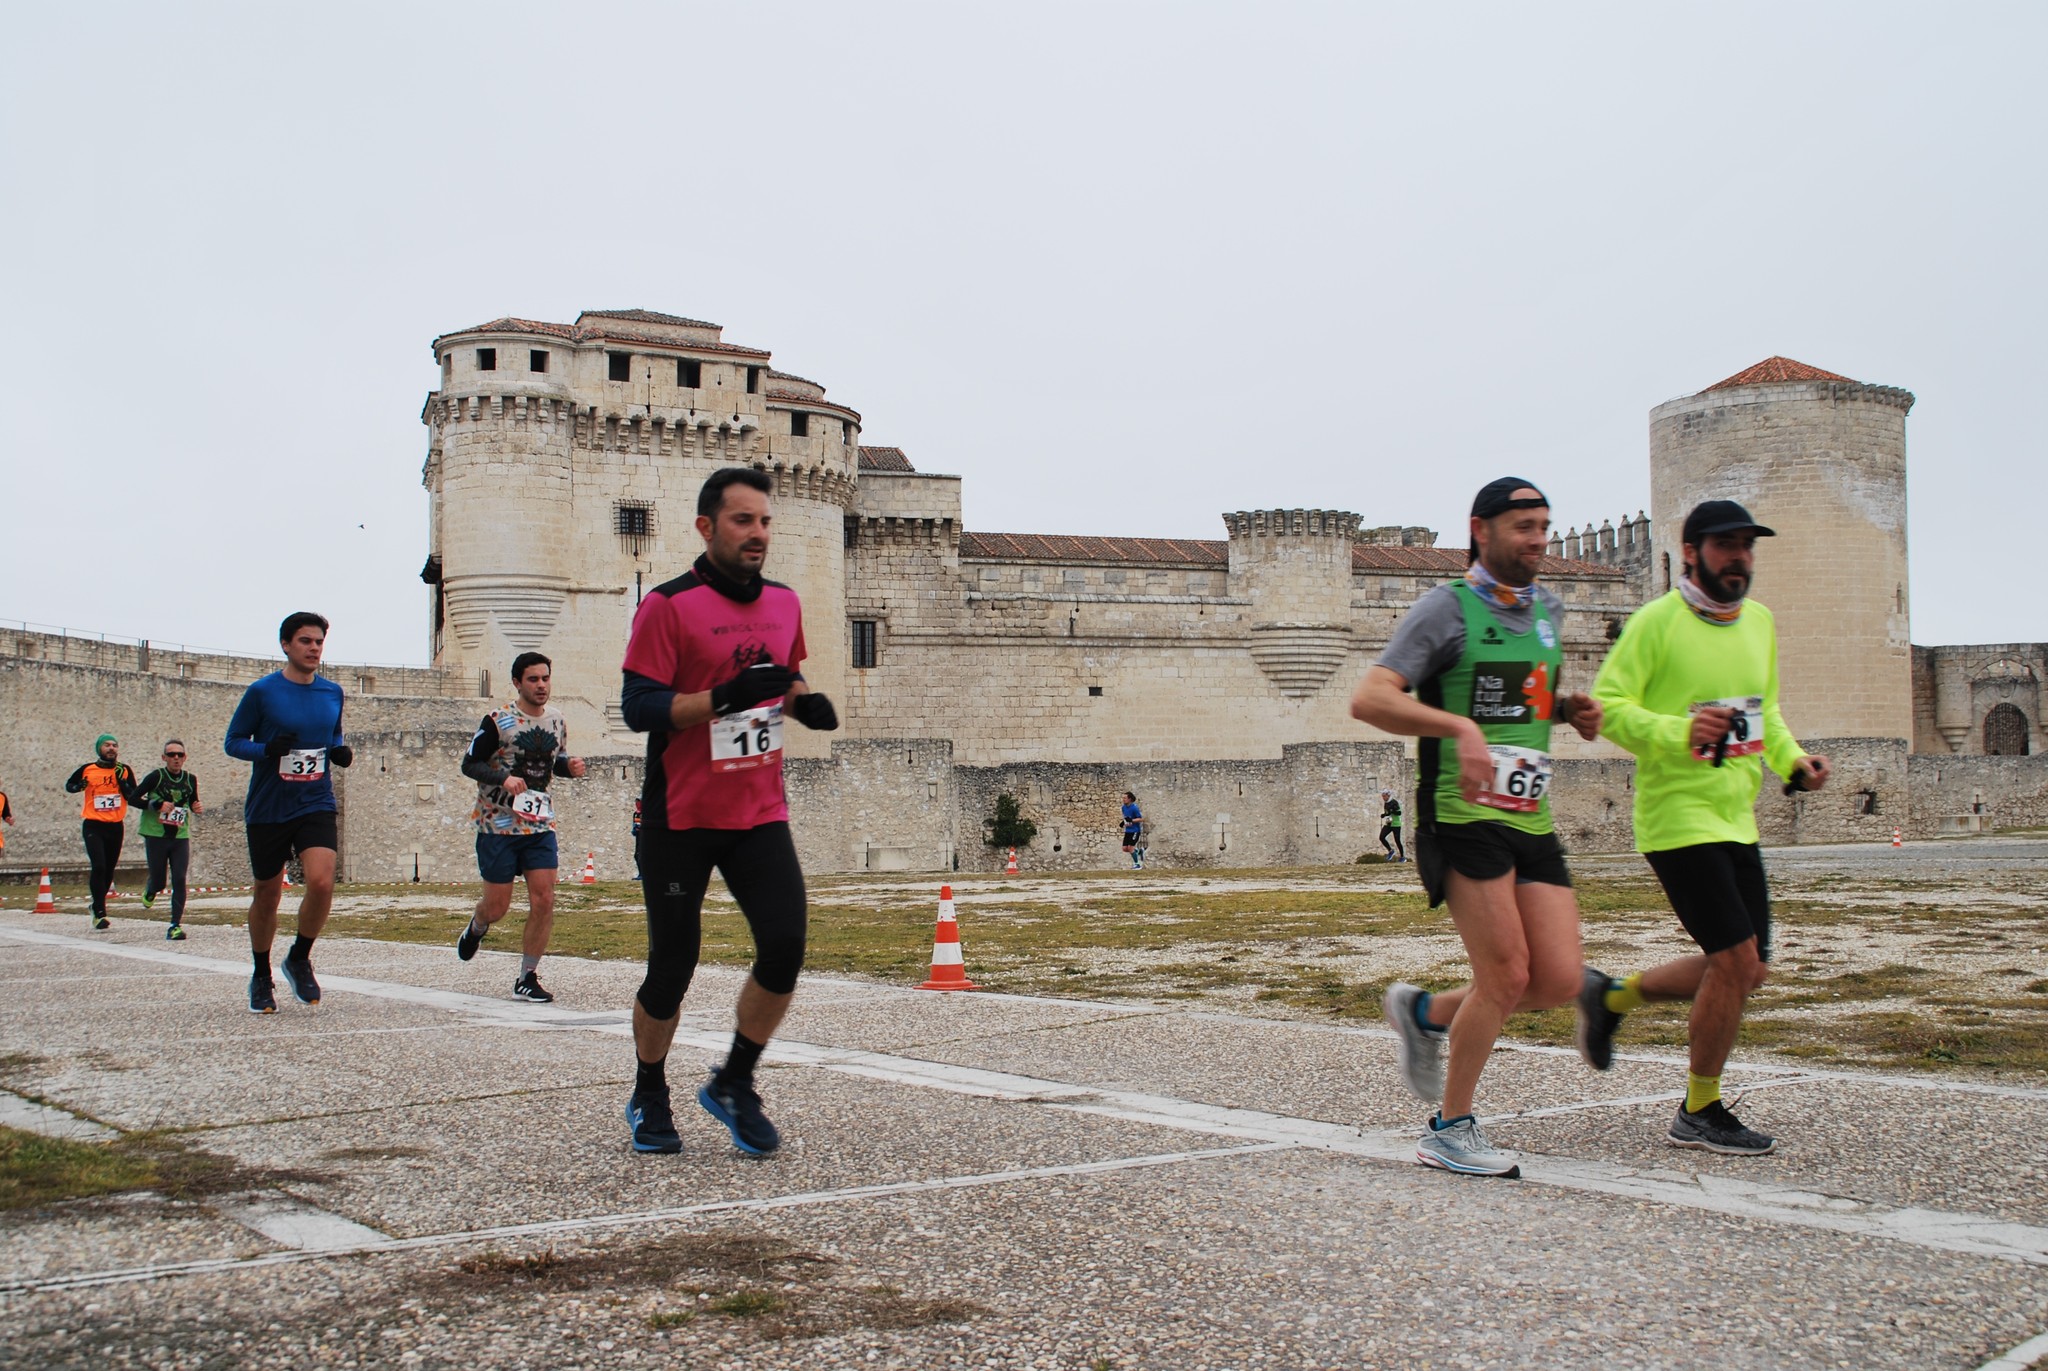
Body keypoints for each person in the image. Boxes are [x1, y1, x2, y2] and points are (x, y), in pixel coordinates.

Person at [1350, 477, 1604, 1178]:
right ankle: (1448, 1129)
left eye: (1545, 525)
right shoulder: (1446, 609)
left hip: (1530, 814)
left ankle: (1424, 1011)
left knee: (1553, 979)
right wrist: (1455, 725)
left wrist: (1567, 709)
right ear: (1480, 529)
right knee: (1505, 972)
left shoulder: (1547, 609)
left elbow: (1522, 699)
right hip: (1461, 815)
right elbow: (1370, 697)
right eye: (1523, 526)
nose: (1538, 539)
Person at [1578, 500, 1829, 1156]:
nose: (1739, 556)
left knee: (1750, 971)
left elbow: (1764, 713)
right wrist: (1677, 731)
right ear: (1690, 553)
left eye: (1747, 545)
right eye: (1725, 545)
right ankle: (1700, 1108)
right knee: (1734, 960)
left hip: (1735, 815)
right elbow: (1607, 708)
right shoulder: (1655, 623)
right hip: (1677, 820)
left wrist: (1794, 762)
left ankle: (1612, 996)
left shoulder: (1761, 624)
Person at [617, 467, 840, 1157]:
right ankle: (649, 1086)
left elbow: (785, 673)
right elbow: (639, 708)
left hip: (758, 810)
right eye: (744, 520)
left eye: (766, 521)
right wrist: (720, 697)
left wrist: (805, 703)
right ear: (707, 527)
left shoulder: (784, 602)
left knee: (785, 945)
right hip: (680, 816)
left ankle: (735, 1079)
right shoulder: (668, 606)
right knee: (673, 964)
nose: (759, 533)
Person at [224, 612, 352, 1014]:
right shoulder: (262, 692)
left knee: (321, 882)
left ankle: (299, 955)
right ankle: (261, 974)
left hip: (315, 800)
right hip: (269, 806)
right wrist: (265, 750)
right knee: (267, 894)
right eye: (305, 641)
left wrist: (338, 750)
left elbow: (332, 735)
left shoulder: (332, 693)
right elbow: (232, 742)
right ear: (285, 645)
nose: (314, 649)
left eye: (319, 642)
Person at [456, 652, 587, 1002]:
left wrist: (568, 767)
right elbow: (469, 764)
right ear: (517, 682)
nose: (541, 685)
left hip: (539, 824)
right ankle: (477, 926)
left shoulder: (556, 720)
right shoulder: (498, 720)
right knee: (497, 907)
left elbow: (549, 764)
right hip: (497, 824)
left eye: (545, 678)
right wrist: (503, 778)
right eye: (533, 679)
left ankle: (527, 976)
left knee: (544, 899)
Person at [64, 734, 141, 931]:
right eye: (107, 745)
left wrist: (123, 785)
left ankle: (96, 905)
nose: (111, 748)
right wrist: (78, 786)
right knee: (98, 865)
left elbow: (133, 795)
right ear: (99, 748)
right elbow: (69, 786)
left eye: (114, 745)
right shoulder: (87, 769)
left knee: (108, 869)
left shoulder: (124, 770)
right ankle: (100, 912)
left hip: (115, 826)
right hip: (93, 825)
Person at [134, 740, 204, 939]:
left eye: (179, 755)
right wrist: (156, 805)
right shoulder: (156, 777)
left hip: (180, 836)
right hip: (156, 834)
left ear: (185, 758)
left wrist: (196, 807)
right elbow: (133, 798)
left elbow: (192, 801)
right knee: (159, 881)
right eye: (171, 755)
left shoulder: (190, 779)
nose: (176, 758)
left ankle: (175, 925)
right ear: (164, 758)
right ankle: (151, 889)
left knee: (180, 879)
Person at [1377, 788, 1406, 862]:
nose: (1383, 798)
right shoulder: (1386, 803)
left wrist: (1392, 810)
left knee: (1397, 841)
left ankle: (1402, 857)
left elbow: (1399, 813)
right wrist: (1384, 815)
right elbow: (1387, 813)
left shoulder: (1394, 802)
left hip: (1396, 824)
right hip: (1389, 823)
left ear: (1388, 795)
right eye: (1382, 796)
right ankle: (1390, 851)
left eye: (1384, 796)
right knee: (1382, 837)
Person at [1120, 792, 1145, 870]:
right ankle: (1139, 852)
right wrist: (1123, 822)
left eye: (1125, 798)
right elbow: (1126, 817)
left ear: (1129, 799)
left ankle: (1137, 864)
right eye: (1123, 798)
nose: (1123, 800)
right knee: (1125, 848)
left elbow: (1141, 819)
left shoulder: (1134, 808)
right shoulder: (1123, 807)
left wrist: (1132, 820)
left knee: (1130, 848)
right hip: (1128, 830)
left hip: (1135, 830)